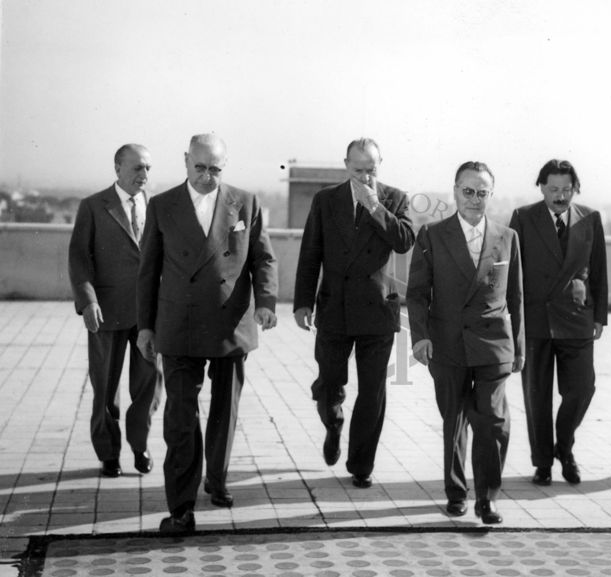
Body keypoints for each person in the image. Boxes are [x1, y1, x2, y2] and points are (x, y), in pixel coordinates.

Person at [137, 134, 278, 533]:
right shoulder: (162, 206)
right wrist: (146, 326)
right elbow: (147, 271)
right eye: (199, 167)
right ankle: (181, 508)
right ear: (185, 161)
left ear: (225, 166)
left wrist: (266, 301)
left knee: (224, 409)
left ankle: (216, 478)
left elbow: (262, 257)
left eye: (215, 169)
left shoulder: (245, 202)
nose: (206, 176)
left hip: (229, 321)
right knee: (180, 418)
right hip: (178, 325)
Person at [407, 161, 524, 524]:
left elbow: (516, 296)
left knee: (491, 421)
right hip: (448, 344)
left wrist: (518, 348)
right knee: (454, 420)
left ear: (491, 194)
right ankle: (456, 492)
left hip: (493, 346)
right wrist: (420, 338)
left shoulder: (507, 237)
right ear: (455, 191)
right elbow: (416, 293)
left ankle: (487, 498)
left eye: (482, 192)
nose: (475, 199)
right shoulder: (432, 235)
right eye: (468, 191)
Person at [293, 138, 414, 489]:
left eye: (371, 170)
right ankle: (333, 424)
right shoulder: (326, 199)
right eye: (358, 170)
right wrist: (303, 303)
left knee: (373, 391)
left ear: (380, 165)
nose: (364, 177)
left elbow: (405, 240)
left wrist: (376, 208)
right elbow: (310, 252)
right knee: (329, 383)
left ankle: (361, 464)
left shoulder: (395, 198)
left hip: (377, 309)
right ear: (346, 165)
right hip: (334, 307)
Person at [509, 159, 607, 487]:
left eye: (567, 189)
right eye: (553, 189)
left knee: (581, 389)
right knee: (537, 397)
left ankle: (564, 447)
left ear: (575, 189)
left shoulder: (590, 219)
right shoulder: (523, 218)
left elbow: (599, 269)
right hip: (535, 320)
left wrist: (600, 317)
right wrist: (512, 320)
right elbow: (513, 273)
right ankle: (543, 463)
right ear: (541, 187)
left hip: (577, 319)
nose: (560, 196)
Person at [68, 144, 162, 479]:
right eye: (137, 168)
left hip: (149, 314)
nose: (144, 176)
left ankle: (140, 445)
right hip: (106, 312)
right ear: (117, 168)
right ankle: (109, 453)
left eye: (148, 168)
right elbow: (79, 259)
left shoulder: (159, 206)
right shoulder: (93, 207)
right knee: (105, 386)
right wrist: (88, 300)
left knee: (149, 383)